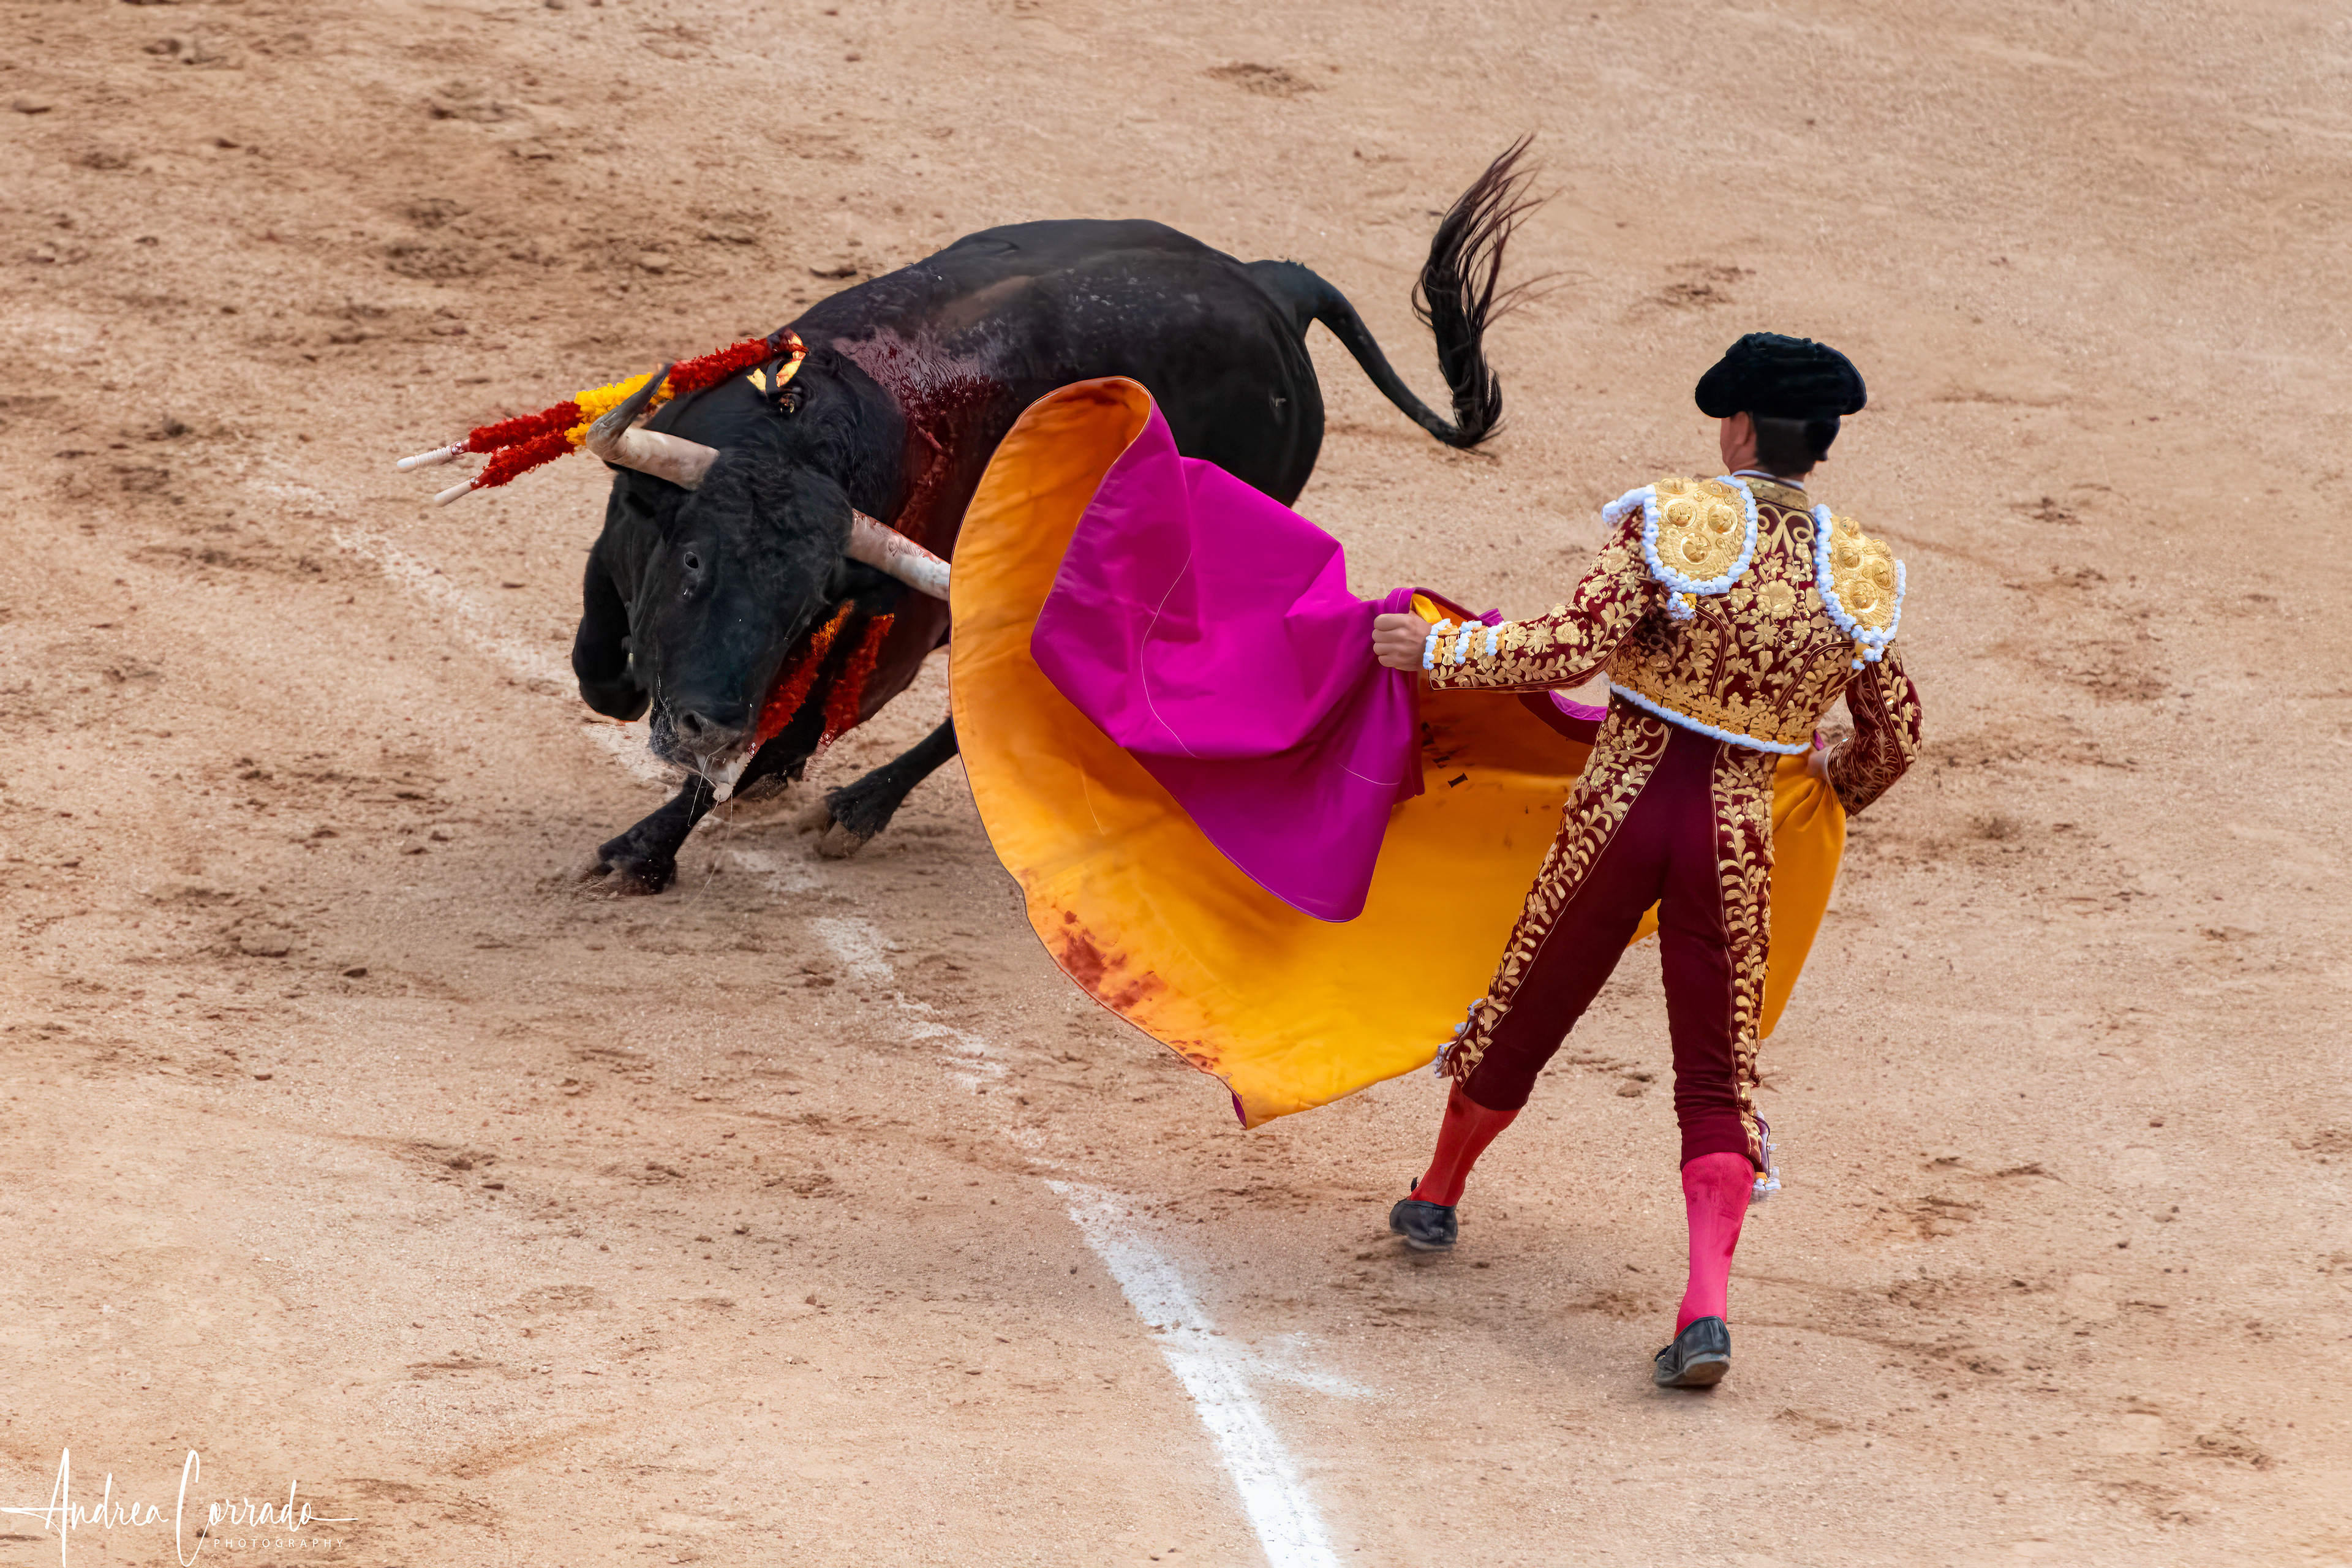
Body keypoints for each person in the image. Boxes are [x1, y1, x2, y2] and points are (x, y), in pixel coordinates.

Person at [1370, 333, 1923, 1388]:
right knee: (1716, 1076)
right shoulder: (1856, 574)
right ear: (1819, 446)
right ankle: (1704, 1311)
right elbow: (1894, 734)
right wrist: (1824, 785)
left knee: (1529, 1000)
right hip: (1737, 836)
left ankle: (1437, 1195)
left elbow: (1568, 647)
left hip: (1623, 810)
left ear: (1743, 430)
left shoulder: (1679, 522)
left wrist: (1438, 651)